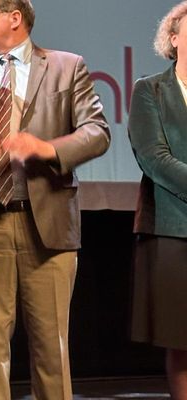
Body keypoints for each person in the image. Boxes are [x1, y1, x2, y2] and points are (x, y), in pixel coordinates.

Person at [0, 0, 110, 399]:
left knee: (51, 351)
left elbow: (97, 132)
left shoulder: (66, 66)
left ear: (14, 18)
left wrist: (46, 148)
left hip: (48, 224)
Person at [128, 3, 187, 399]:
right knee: (183, 340)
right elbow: (154, 157)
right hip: (173, 227)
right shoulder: (150, 90)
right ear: (174, 37)